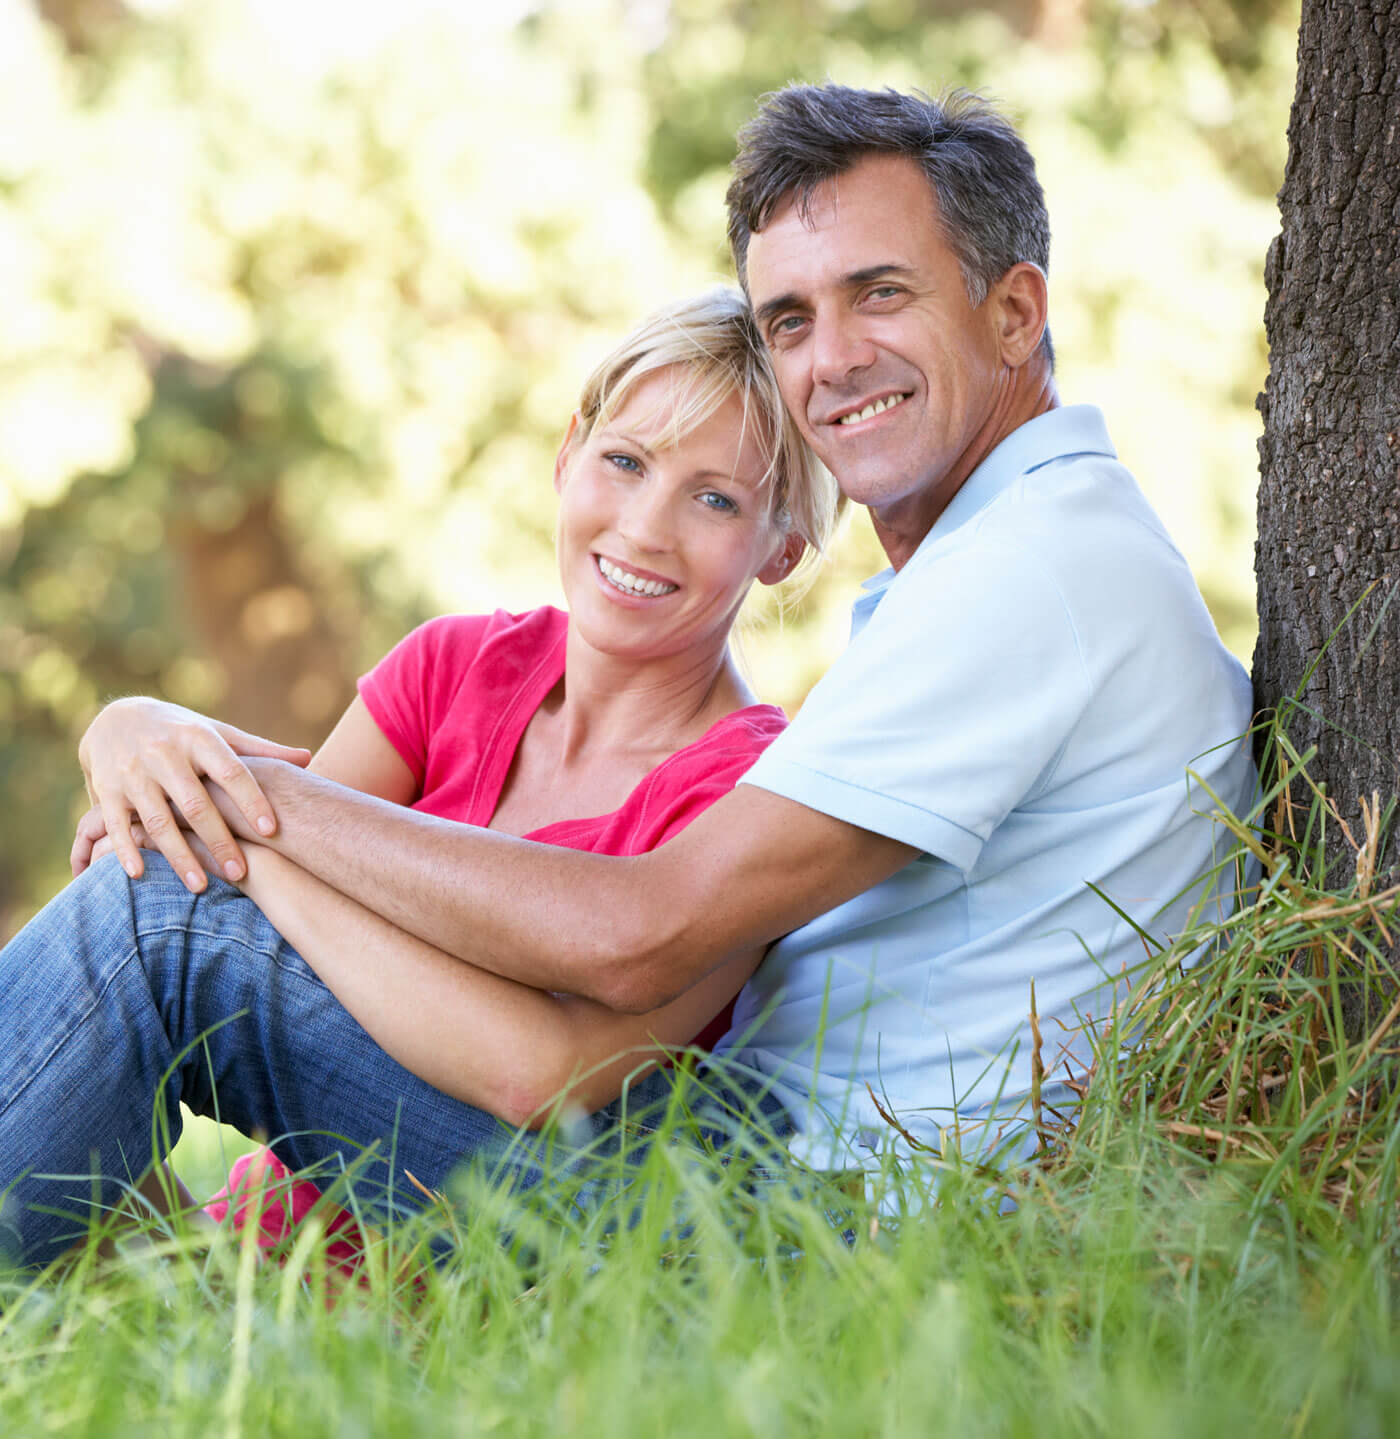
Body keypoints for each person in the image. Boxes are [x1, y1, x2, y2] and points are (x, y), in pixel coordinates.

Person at [3, 83, 1256, 1261]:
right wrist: (159, 745)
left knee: (159, 920)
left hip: (774, 1219)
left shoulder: (1032, 569)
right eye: (790, 319)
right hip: (736, 1169)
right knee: (167, 904)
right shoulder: (1010, 557)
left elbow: (636, 935)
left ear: (1012, 312)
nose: (831, 359)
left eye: (881, 294)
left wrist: (227, 794)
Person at [0, 287, 837, 1267]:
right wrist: (130, 725)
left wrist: (247, 853)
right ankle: (141, 1283)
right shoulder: (455, 669)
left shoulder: (747, 794)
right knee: (161, 891)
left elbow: (550, 1074)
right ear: (569, 454)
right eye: (624, 461)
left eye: (713, 498)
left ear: (779, 545)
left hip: (543, 1223)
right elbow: (226, 871)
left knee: (165, 913)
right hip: (281, 1241)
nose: (646, 526)